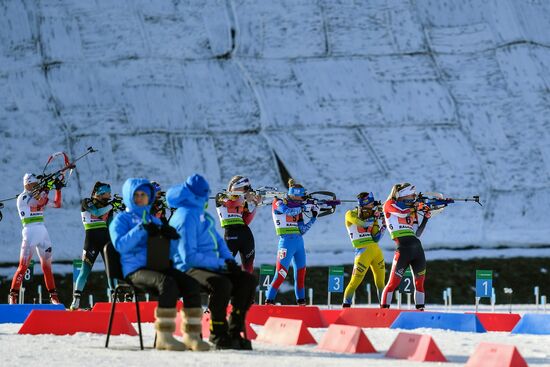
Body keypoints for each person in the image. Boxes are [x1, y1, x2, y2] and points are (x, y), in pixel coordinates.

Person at [109, 178, 209, 351]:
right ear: (129, 197)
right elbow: (120, 245)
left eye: (144, 195)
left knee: (191, 284)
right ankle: (164, 336)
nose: (140, 198)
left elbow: (168, 252)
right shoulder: (121, 219)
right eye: (136, 195)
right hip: (135, 270)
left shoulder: (155, 220)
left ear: (150, 197)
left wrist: (173, 239)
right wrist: (140, 229)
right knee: (167, 283)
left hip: (158, 267)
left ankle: (192, 336)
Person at [167, 174, 257, 350]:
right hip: (187, 269)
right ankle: (217, 332)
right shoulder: (185, 216)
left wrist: (230, 262)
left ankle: (234, 330)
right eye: (203, 194)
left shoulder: (202, 216)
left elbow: (219, 243)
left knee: (247, 280)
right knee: (220, 283)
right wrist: (219, 264)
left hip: (208, 265)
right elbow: (189, 257)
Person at [8, 173, 64, 305]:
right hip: (30, 232)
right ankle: (13, 296)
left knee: (47, 267)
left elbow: (57, 204)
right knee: (23, 266)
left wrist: (58, 189)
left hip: (43, 231)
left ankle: (53, 296)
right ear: (27, 184)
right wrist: (46, 188)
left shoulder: (37, 194)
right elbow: (39, 202)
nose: (36, 187)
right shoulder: (23, 197)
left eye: (37, 185)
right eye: (34, 184)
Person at [70, 182, 123, 310]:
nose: (109, 195)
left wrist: (119, 211)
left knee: (111, 271)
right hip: (91, 241)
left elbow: (110, 225)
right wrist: (111, 206)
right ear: (99, 192)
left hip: (106, 241)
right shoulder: (86, 202)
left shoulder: (108, 206)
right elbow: (97, 212)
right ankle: (76, 299)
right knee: (84, 270)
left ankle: (116, 300)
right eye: (107, 193)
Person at [265, 178, 317, 305]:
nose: (302, 200)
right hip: (286, 242)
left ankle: (301, 303)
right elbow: (288, 211)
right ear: (294, 195)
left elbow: (302, 230)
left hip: (299, 242)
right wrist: (305, 207)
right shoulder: (278, 201)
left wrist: (314, 216)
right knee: (281, 274)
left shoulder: (299, 207)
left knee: (300, 275)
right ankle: (268, 301)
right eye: (301, 198)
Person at [380, 183, 431, 310]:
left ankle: (420, 311)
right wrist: (415, 207)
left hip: (417, 249)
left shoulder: (412, 209)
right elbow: (401, 213)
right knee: (393, 283)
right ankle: (383, 312)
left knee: (420, 284)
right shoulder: (389, 204)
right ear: (403, 194)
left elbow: (417, 233)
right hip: (403, 248)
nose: (414, 197)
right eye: (412, 194)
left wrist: (425, 217)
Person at [342, 192, 386, 307]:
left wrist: (383, 225)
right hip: (362, 252)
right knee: (354, 282)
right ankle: (346, 306)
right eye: (371, 204)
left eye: (373, 204)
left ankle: (384, 307)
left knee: (381, 283)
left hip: (376, 251)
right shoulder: (350, 214)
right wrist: (374, 217)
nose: (372, 207)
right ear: (364, 204)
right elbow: (361, 223)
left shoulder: (372, 215)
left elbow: (376, 238)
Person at [215, 176, 261, 273]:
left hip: (245, 234)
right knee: (225, 268)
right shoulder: (221, 196)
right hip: (231, 234)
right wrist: (244, 198)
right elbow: (230, 204)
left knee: (248, 269)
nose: (246, 190)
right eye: (245, 188)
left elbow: (246, 221)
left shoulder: (242, 200)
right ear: (235, 187)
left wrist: (256, 205)